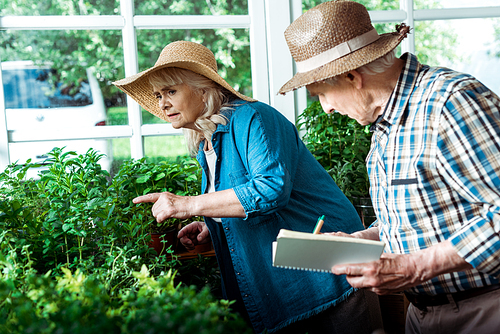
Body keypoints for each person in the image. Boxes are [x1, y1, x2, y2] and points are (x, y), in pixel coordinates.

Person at [113, 40, 382, 333]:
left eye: (171, 91)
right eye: (157, 95)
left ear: (203, 89)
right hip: (291, 268)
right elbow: (245, 201)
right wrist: (213, 224)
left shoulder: (252, 117)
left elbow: (270, 189)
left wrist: (188, 204)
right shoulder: (208, 142)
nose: (163, 103)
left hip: (330, 262)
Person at [278, 1, 500, 333]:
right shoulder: (384, 126)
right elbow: (419, 217)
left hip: (483, 310)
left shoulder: (450, 102)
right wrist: (359, 240)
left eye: (321, 94)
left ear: (353, 77)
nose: (325, 109)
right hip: (422, 314)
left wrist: (414, 266)